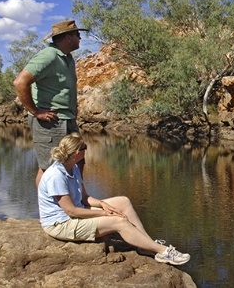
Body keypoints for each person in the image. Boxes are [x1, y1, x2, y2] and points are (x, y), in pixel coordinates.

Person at [37, 132, 190, 265]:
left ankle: (146, 244)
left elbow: (83, 197)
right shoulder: (56, 176)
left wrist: (102, 204)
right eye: (85, 149)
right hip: (61, 224)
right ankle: (163, 251)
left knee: (123, 201)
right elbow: (71, 211)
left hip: (74, 213)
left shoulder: (73, 168)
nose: (86, 152)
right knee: (119, 221)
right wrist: (104, 214)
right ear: (78, 152)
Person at [13, 20, 87, 187]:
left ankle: (77, 200)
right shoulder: (48, 56)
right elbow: (20, 83)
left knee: (78, 159)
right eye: (77, 34)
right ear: (68, 38)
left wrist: (73, 107)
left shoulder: (67, 58)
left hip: (66, 118)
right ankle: (48, 209)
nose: (80, 37)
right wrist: (36, 111)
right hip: (50, 121)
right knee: (49, 167)